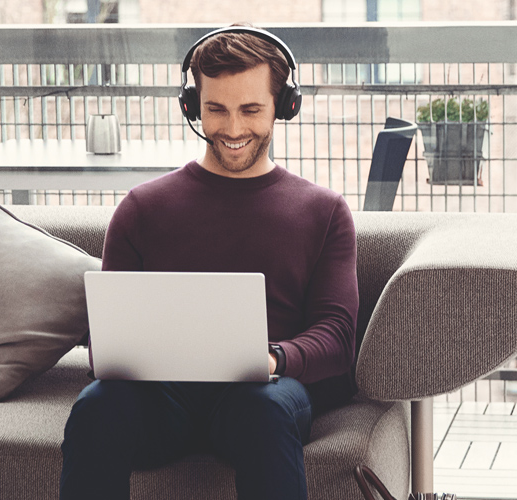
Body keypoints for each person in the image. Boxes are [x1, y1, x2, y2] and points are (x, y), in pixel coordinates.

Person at [60, 25, 359, 500]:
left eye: (251, 109)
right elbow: (105, 346)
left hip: (265, 395)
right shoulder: (141, 209)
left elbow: (337, 337)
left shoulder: (323, 211)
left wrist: (270, 359)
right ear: (190, 106)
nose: (233, 129)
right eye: (216, 108)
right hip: (162, 400)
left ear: (285, 106)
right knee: (98, 405)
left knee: (263, 408)